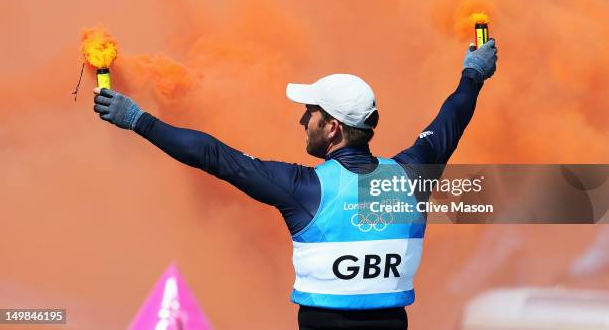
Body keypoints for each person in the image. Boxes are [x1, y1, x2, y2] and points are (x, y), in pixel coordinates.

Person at [93, 40, 498, 329]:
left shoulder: (304, 188)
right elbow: (452, 119)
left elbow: (214, 156)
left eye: (310, 114)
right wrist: (473, 75)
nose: (303, 121)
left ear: (333, 127)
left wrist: (139, 121)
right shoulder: (412, 176)